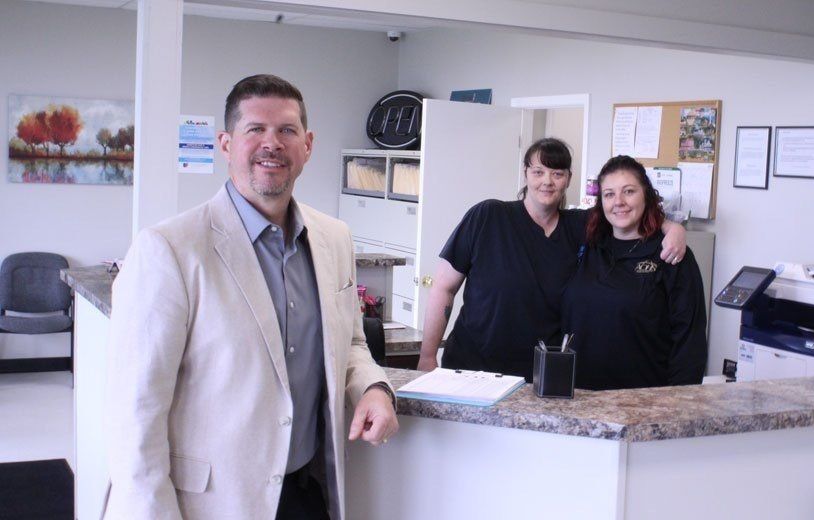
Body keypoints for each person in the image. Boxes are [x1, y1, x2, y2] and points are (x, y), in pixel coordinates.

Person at [105, 75, 399, 520]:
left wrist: (372, 389)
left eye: (286, 130)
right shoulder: (169, 249)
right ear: (226, 144)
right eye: (254, 130)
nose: (271, 143)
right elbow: (136, 412)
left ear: (308, 144)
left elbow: (352, 344)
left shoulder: (334, 238)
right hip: (213, 505)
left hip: (307, 492)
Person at [416, 138, 687, 379]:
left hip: (539, 376)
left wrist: (672, 228)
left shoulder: (583, 227)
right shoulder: (488, 217)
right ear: (525, 174)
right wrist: (427, 357)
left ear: (568, 178)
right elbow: (444, 287)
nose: (547, 181)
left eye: (557, 173)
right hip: (471, 365)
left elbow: (625, 213)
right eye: (538, 172)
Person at [561, 155, 707, 390]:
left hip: (643, 400)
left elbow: (690, 341)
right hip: (579, 395)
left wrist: (678, 404)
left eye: (629, 191)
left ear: (646, 195)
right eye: (609, 194)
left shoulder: (670, 254)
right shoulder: (588, 243)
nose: (618, 201)